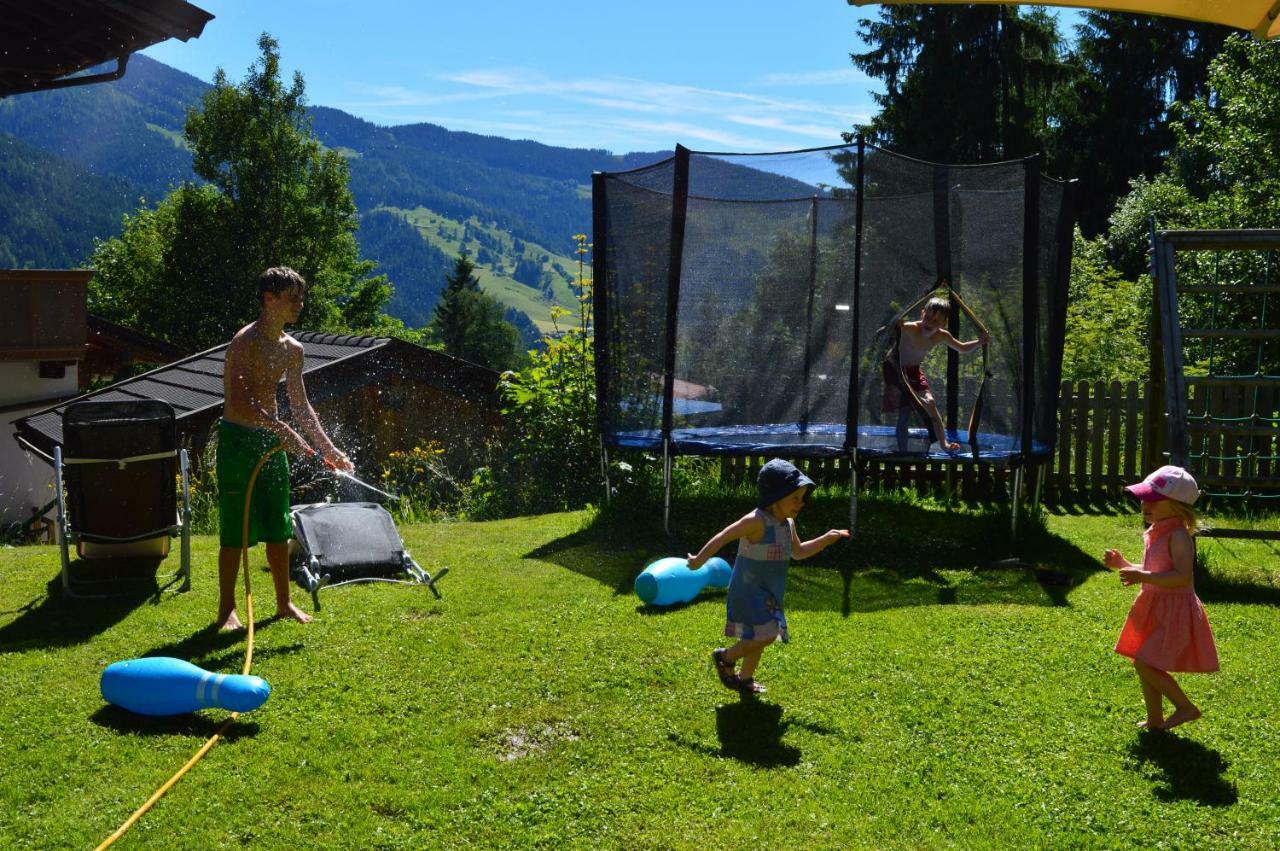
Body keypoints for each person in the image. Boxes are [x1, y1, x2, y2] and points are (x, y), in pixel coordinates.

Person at [215, 266, 354, 630]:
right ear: (268, 299)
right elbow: (240, 400)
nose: (300, 304)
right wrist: (281, 430)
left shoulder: (293, 350)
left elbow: (301, 406)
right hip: (238, 440)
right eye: (292, 297)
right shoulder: (244, 342)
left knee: (279, 524)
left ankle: (283, 603)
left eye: (301, 297)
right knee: (236, 528)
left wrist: (330, 450)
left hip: (270, 440)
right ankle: (226, 608)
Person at [688, 458, 849, 695]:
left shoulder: (788, 524)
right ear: (775, 496)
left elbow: (799, 552)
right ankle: (725, 657)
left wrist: (826, 539)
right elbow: (723, 536)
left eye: (802, 498)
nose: (801, 503)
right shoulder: (755, 521)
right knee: (767, 634)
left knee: (758, 634)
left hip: (769, 591)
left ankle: (745, 678)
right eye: (795, 497)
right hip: (748, 590)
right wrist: (699, 560)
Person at [1104, 465, 1218, 730]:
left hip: (1174, 611)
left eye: (1154, 500)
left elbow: (1181, 577)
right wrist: (1123, 564)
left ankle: (1185, 707)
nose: (1145, 504)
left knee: (1145, 663)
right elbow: (1153, 571)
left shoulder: (1178, 536)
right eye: (1144, 497)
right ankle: (1155, 719)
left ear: (1177, 506)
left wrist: (1141, 577)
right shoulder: (1156, 532)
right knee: (1145, 662)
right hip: (1155, 607)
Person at [882, 295, 988, 452]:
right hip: (895, 369)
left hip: (913, 370)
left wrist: (980, 341)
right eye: (928, 316)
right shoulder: (910, 328)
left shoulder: (942, 335)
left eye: (936, 320)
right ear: (922, 313)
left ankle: (944, 443)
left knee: (930, 403)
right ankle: (902, 450)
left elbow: (962, 348)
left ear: (944, 324)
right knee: (905, 411)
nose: (930, 322)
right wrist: (895, 324)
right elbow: (891, 328)